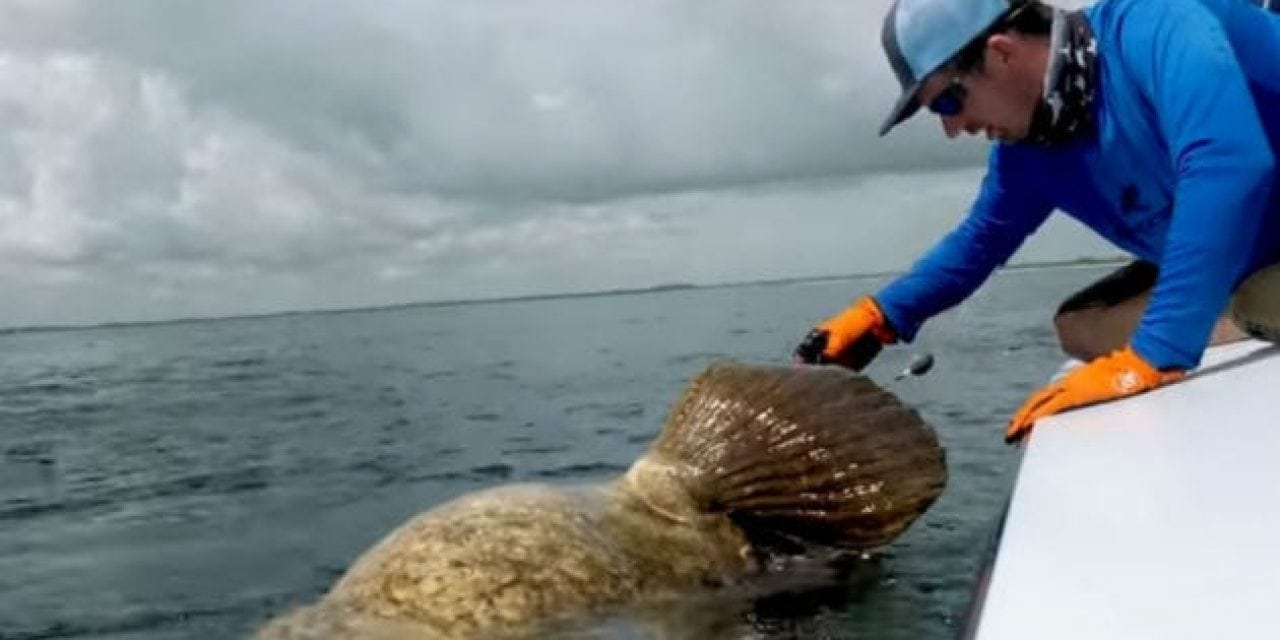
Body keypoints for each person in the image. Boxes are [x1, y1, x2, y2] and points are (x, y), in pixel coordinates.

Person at [794, 0, 1280, 443]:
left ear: (1001, 52)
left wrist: (1155, 354)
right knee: (1081, 327)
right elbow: (980, 241)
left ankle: (1251, 308)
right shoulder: (1028, 152)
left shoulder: (1158, 24)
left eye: (947, 102)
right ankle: (1253, 307)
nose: (951, 129)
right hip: (1252, 258)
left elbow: (1229, 164)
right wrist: (882, 316)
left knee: (1176, 313)